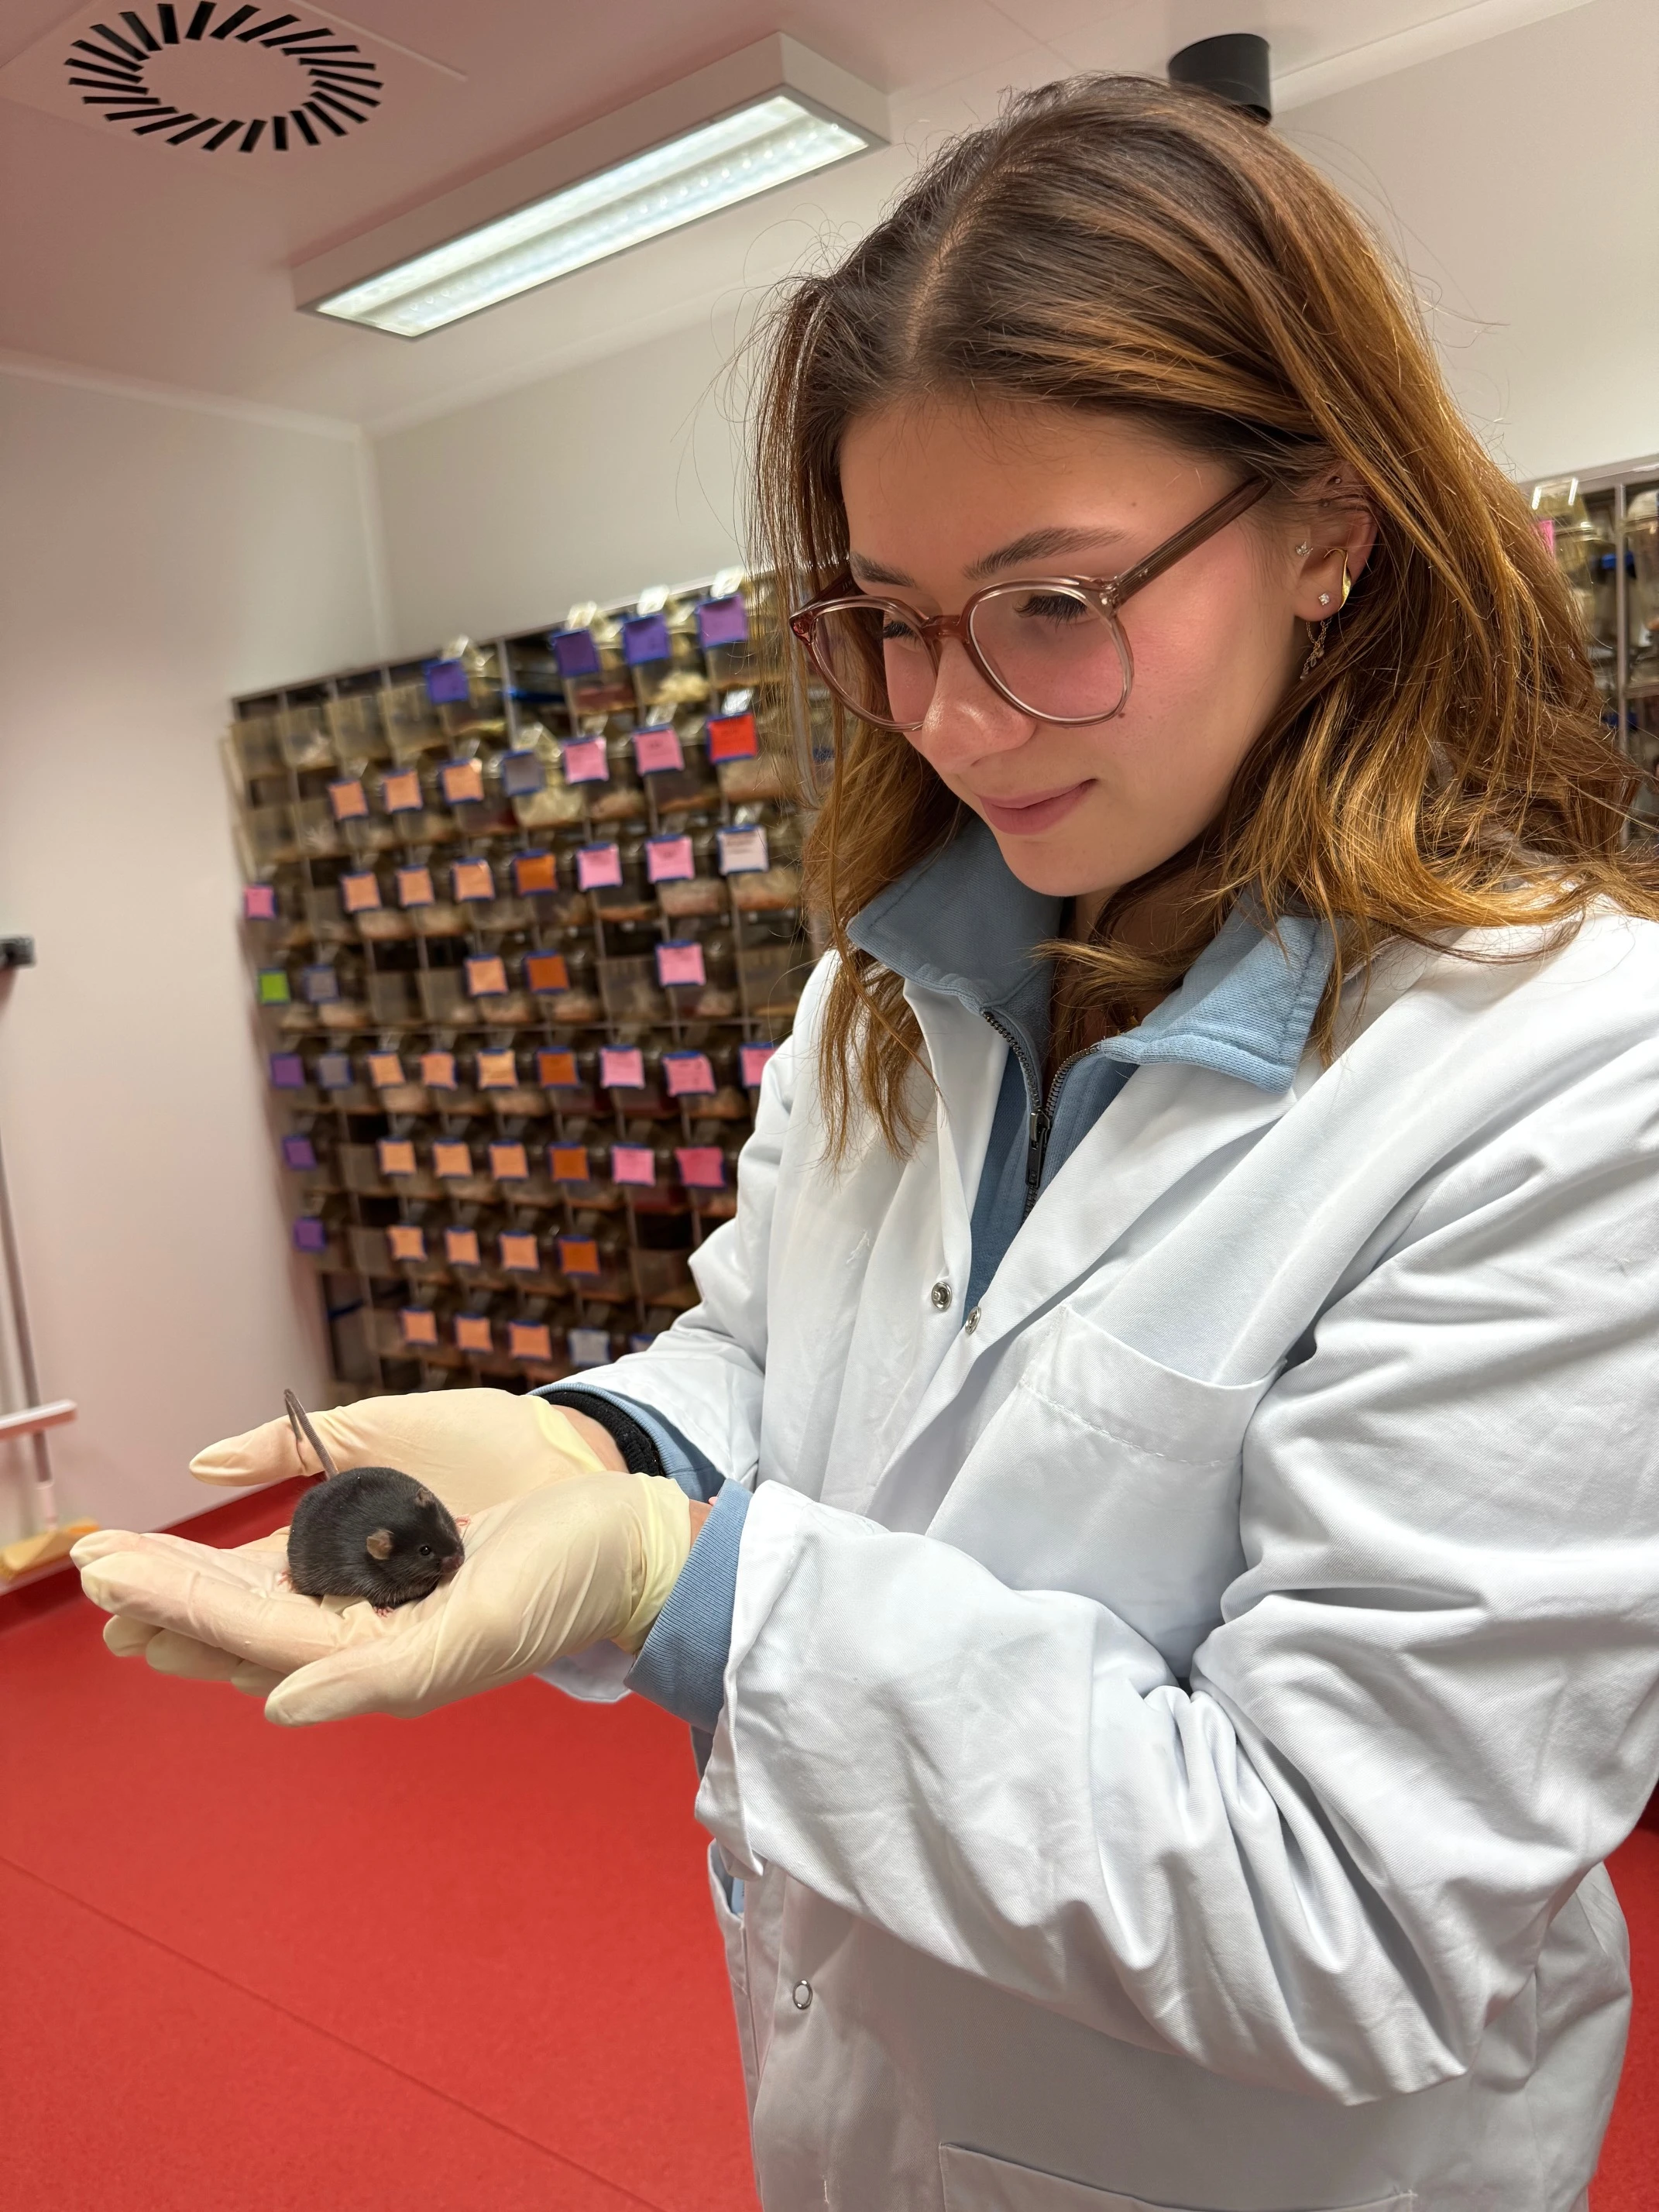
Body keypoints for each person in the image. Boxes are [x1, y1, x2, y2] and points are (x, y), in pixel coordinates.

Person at [76, 75, 1659, 2212]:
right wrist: (607, 1454)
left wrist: (692, 1592)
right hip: (877, 2106)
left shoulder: (1564, 1075)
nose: (952, 718)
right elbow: (784, 1361)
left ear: (1324, 531)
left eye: (1050, 601)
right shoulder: (895, 982)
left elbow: (1353, 1910)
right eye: (887, 616)